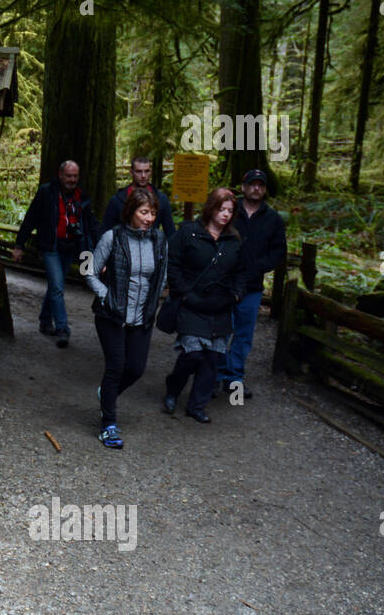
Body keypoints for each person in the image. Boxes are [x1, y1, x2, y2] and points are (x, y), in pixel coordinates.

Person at [84, 186, 169, 448]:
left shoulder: (159, 240)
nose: (150, 218)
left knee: (136, 369)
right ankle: (108, 425)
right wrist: (105, 296)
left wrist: (156, 299)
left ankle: (106, 395)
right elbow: (89, 271)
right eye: (144, 212)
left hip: (142, 317)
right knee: (116, 366)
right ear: (131, 211)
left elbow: (162, 275)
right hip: (112, 315)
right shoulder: (113, 237)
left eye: (153, 213)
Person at [162, 187, 244, 423]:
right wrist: (184, 293)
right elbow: (173, 264)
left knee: (212, 358)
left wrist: (236, 294)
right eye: (221, 209)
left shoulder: (234, 240)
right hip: (192, 303)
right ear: (211, 208)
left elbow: (241, 271)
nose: (225, 214)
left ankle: (197, 405)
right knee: (193, 354)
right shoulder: (189, 233)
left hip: (220, 306)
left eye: (230, 210)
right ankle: (173, 389)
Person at [217, 168, 287, 400]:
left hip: (252, 287)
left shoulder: (273, 219)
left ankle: (234, 379)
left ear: (265, 189)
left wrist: (257, 266)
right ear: (244, 186)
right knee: (219, 330)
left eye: (261, 185)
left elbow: (279, 252)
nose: (256, 188)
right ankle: (213, 376)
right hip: (223, 284)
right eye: (252, 184)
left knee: (244, 334)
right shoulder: (228, 210)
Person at [12, 160, 95, 348]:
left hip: (70, 247)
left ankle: (44, 320)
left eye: (75, 176)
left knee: (55, 286)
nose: (72, 180)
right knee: (58, 287)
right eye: (68, 176)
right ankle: (63, 328)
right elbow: (31, 217)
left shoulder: (81, 196)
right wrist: (19, 245)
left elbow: (90, 224)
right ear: (60, 175)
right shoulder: (47, 192)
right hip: (51, 247)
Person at [99, 156, 175, 238]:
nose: (143, 176)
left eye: (146, 171)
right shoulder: (117, 199)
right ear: (131, 172)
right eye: (138, 172)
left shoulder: (161, 198)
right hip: (123, 247)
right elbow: (105, 231)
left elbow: (170, 232)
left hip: (152, 246)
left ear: (151, 172)